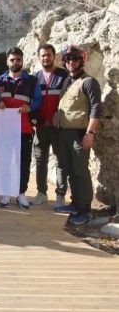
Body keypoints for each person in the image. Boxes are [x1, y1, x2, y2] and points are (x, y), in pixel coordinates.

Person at [54, 45, 102, 225]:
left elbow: (96, 108)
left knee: (81, 171)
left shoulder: (89, 82)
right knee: (70, 170)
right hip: (64, 132)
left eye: (74, 59)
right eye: (68, 59)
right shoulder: (68, 81)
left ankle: (85, 210)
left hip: (80, 133)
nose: (71, 62)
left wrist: (90, 132)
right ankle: (75, 204)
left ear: (81, 60)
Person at [0, 47, 42, 209]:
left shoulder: (32, 81)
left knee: (23, 162)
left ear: (22, 60)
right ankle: (6, 192)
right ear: (7, 61)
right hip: (4, 129)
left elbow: (39, 100)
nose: (15, 62)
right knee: (4, 161)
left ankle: (21, 193)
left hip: (24, 129)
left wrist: (30, 107)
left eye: (18, 59)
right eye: (12, 60)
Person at [32, 43, 70, 207]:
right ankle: (41, 193)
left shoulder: (64, 76)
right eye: (43, 55)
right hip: (40, 126)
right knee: (41, 161)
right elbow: (32, 102)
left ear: (54, 56)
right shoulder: (34, 78)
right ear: (39, 58)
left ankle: (60, 195)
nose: (46, 58)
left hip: (58, 127)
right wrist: (32, 119)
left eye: (49, 55)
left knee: (61, 161)